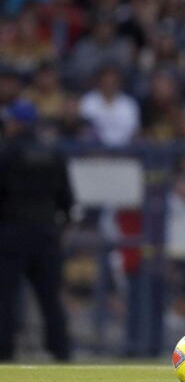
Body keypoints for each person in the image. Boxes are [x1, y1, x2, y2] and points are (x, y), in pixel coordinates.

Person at [0, 101, 74, 361]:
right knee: (50, 298)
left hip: (11, 233)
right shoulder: (53, 153)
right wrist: (60, 227)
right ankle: (61, 351)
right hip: (46, 233)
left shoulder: (6, 154)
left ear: (17, 123)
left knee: (5, 298)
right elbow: (67, 199)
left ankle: (4, 351)